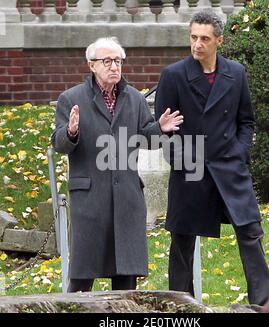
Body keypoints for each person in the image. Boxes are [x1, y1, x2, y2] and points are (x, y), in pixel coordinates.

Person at [154, 11, 269, 305]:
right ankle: (180, 304)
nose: (197, 44)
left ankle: (264, 302)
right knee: (182, 240)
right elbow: (162, 128)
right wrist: (180, 161)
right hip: (190, 170)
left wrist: (240, 153)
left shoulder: (236, 74)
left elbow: (246, 122)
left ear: (219, 40)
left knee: (250, 231)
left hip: (230, 167)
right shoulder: (174, 75)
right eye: (193, 37)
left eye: (205, 38)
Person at [51, 37, 183, 292]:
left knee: (126, 278)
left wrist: (161, 129)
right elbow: (59, 144)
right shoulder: (71, 99)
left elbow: (147, 139)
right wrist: (71, 131)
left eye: (118, 61)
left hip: (126, 198)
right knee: (81, 279)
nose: (114, 66)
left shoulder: (134, 98)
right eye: (107, 61)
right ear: (92, 65)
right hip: (90, 198)